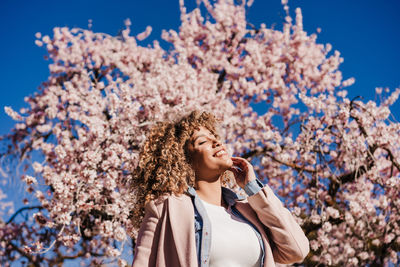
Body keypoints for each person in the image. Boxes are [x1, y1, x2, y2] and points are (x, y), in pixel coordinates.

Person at [131, 111, 309, 267]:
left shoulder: (250, 212)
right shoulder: (166, 208)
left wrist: (253, 189)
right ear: (184, 161)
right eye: (202, 141)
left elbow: (297, 250)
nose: (216, 142)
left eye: (214, 136)